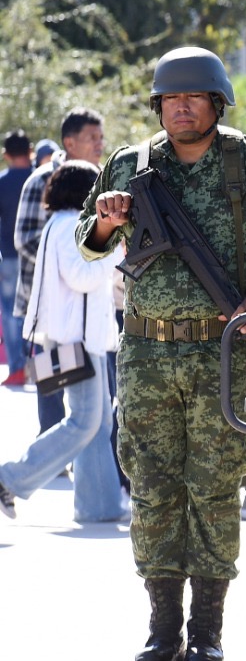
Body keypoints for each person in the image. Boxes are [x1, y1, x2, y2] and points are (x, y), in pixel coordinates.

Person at [77, 48, 246, 661]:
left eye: (194, 98)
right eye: (170, 99)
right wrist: (107, 220)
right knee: (153, 490)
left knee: (213, 490)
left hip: (221, 352)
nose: (181, 108)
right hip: (147, 351)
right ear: (158, 105)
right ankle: (162, 632)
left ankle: (206, 635)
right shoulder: (129, 165)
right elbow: (90, 243)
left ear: (216, 102)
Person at [0, 160, 125, 522]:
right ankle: (9, 477)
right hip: (77, 339)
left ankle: (98, 507)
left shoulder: (60, 223)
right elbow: (80, 277)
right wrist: (117, 254)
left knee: (98, 422)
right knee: (85, 422)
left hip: (74, 337)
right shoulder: (72, 224)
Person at [14, 108, 105, 434]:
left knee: (95, 407)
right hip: (52, 308)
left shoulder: (100, 180)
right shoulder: (41, 180)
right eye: (91, 138)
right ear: (69, 141)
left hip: (90, 310)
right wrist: (68, 259)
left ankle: (89, 473)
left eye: (101, 137)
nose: (99, 144)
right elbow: (24, 239)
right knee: (54, 386)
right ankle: (48, 452)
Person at [1, 130, 32, 386]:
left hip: (9, 256)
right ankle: (38, 366)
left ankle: (18, 369)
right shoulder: (40, 178)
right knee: (37, 310)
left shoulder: (2, 182)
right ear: (30, 150)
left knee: (11, 312)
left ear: (6, 154)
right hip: (37, 257)